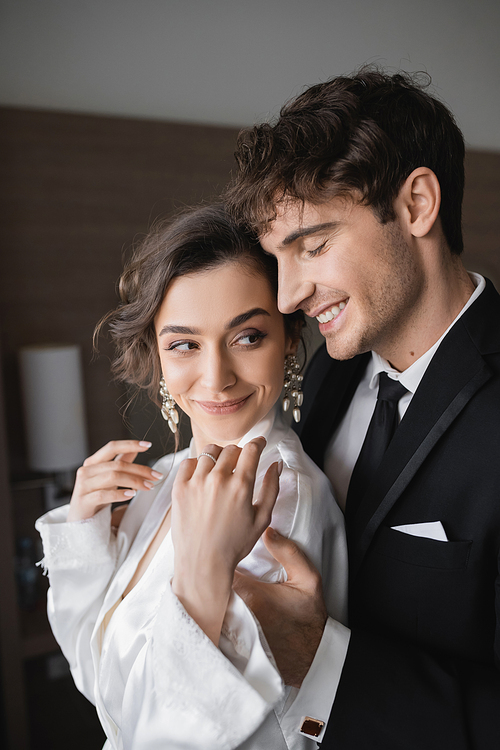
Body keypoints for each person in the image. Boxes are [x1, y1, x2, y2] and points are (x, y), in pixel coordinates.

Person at [222, 68, 500, 748]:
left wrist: (323, 663)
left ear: (417, 205)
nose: (287, 296)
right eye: (275, 259)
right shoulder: (324, 378)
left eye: (312, 246)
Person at [35, 204, 348, 750]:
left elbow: (167, 740)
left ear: (290, 339)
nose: (216, 377)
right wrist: (84, 534)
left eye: (247, 336)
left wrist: (204, 579)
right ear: (158, 356)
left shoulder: (278, 502)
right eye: (184, 344)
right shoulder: (163, 480)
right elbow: (100, 681)